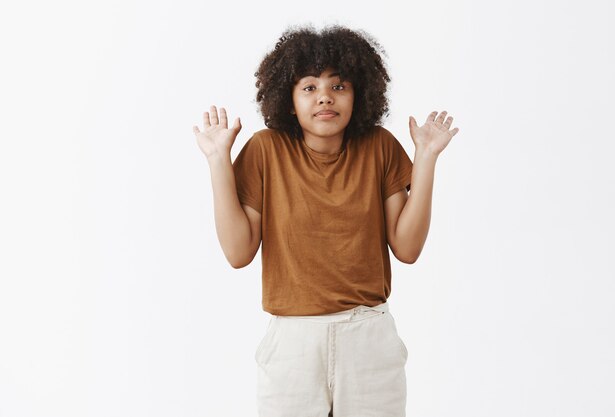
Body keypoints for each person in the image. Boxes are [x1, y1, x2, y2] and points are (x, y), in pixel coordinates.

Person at [193, 24, 459, 417]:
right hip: (293, 343)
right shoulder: (266, 150)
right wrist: (218, 160)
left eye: (338, 86)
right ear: (288, 96)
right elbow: (238, 252)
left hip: (368, 337)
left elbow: (407, 247)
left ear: (359, 94)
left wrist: (426, 159)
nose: (324, 99)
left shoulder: (379, 146)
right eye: (309, 88)